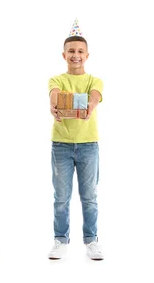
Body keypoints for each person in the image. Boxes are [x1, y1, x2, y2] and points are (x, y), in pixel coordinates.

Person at [47, 19, 104, 261]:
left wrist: (89, 104)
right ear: (64, 55)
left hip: (89, 145)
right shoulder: (56, 79)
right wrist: (56, 104)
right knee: (61, 197)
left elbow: (94, 96)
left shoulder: (94, 80)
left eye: (80, 51)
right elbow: (55, 96)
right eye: (71, 51)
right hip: (61, 145)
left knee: (89, 196)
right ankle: (60, 240)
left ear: (87, 55)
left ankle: (91, 240)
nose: (76, 55)